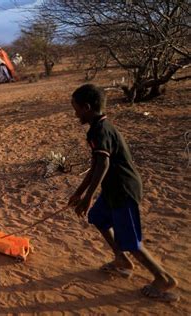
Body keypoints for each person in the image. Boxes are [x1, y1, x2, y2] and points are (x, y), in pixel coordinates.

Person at [68, 84, 179, 302]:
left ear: (87, 107)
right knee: (98, 217)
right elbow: (95, 165)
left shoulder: (101, 131)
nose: (75, 113)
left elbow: (103, 165)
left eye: (76, 109)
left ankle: (163, 279)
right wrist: (78, 192)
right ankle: (122, 260)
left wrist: (88, 197)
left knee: (130, 239)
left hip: (123, 190)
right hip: (113, 189)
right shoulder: (97, 128)